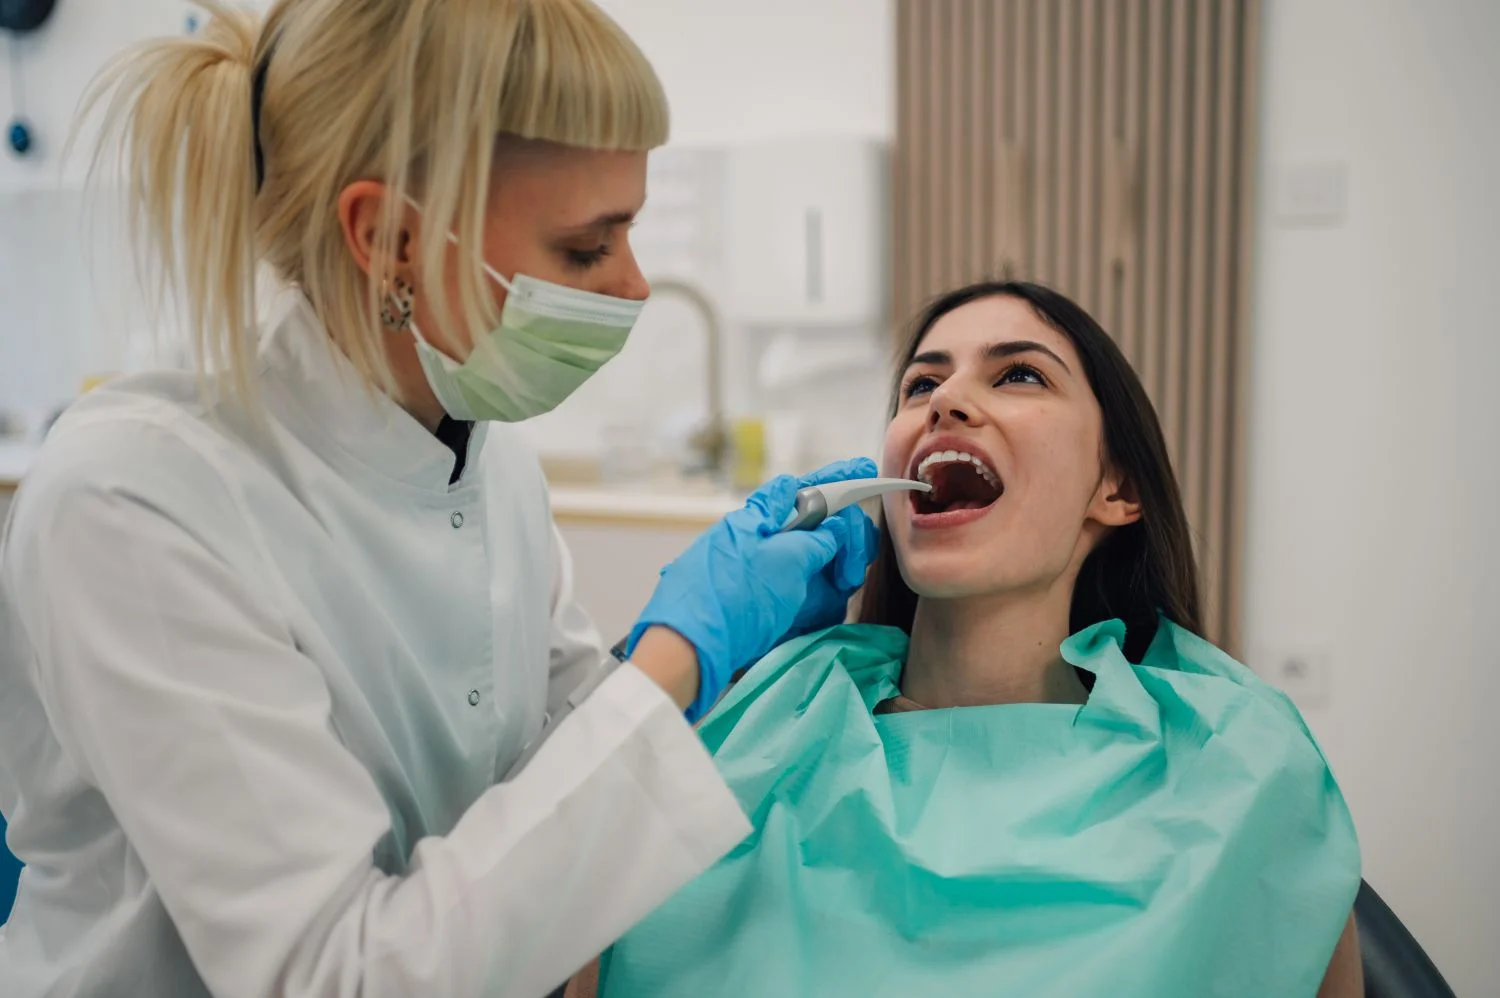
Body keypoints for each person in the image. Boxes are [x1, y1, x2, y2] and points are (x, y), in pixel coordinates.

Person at [0, 2, 878, 996]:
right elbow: (338, 975)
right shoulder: (134, 498)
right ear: (390, 240)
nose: (637, 287)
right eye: (586, 248)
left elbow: (545, 763)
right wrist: (676, 659)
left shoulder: (482, 455)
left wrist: (715, 656)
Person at [584, 282, 1365, 997]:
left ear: (1117, 488)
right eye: (921, 385)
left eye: (1019, 375)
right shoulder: (758, 723)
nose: (947, 400)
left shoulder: (1241, 765)